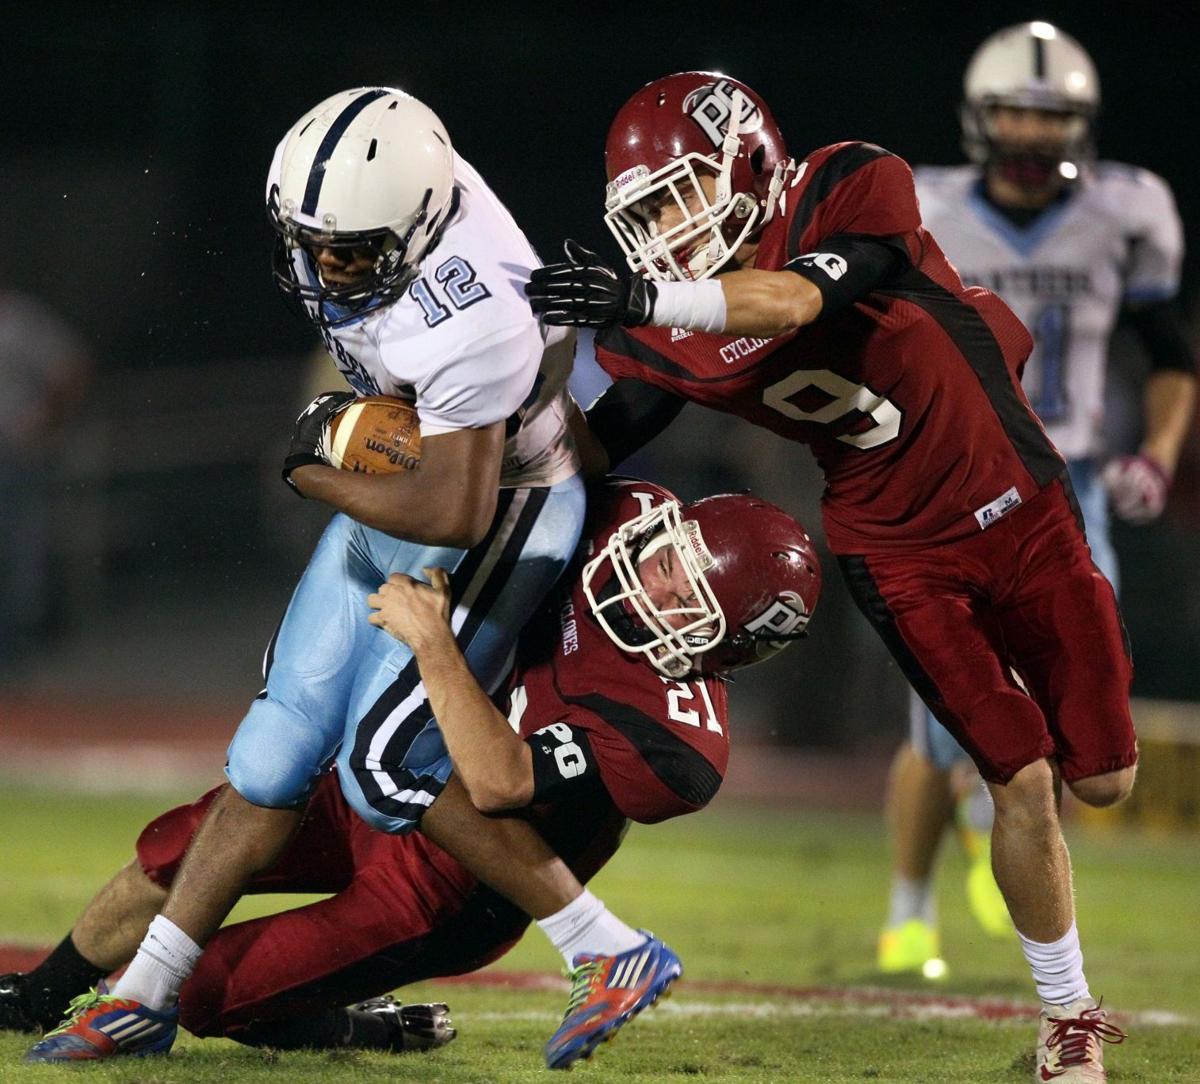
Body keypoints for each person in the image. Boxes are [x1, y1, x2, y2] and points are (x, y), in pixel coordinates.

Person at [22, 86, 657, 1070]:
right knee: (272, 755)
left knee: (385, 767)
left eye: (353, 253)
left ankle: (606, 946)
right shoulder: (389, 201)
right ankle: (142, 996)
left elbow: (455, 512)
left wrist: (313, 468)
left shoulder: (472, 314)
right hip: (424, 483)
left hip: (508, 506)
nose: (328, 267)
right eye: (314, 245)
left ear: (419, 227)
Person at [526, 71, 1135, 1082]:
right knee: (1021, 777)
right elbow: (591, 447)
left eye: (679, 195)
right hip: (895, 547)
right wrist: (514, 389)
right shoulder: (664, 320)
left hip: (1023, 504)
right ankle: (1067, 1016)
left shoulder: (849, 183)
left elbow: (796, 298)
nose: (667, 229)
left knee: (1106, 781)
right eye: (647, 215)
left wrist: (644, 298)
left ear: (748, 161)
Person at [6, 479, 821, 1067]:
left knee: (209, 994)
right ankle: (39, 996)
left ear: (726, 649)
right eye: (670, 562)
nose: (654, 588)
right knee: (179, 849)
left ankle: (363, 1024)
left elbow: (497, 780)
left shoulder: (676, 748)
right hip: (384, 773)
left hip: (450, 884)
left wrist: (432, 641)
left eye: (686, 602)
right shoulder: (625, 511)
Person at [877, 21, 1197, 981]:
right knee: (941, 724)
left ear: (1080, 125)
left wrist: (1160, 455)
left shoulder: (1129, 210)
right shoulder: (923, 206)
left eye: (1049, 116)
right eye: (1014, 112)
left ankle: (996, 828)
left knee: (1071, 711)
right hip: (950, 484)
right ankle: (909, 911)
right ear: (981, 117)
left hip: (1069, 487)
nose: (1030, 132)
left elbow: (1170, 351)